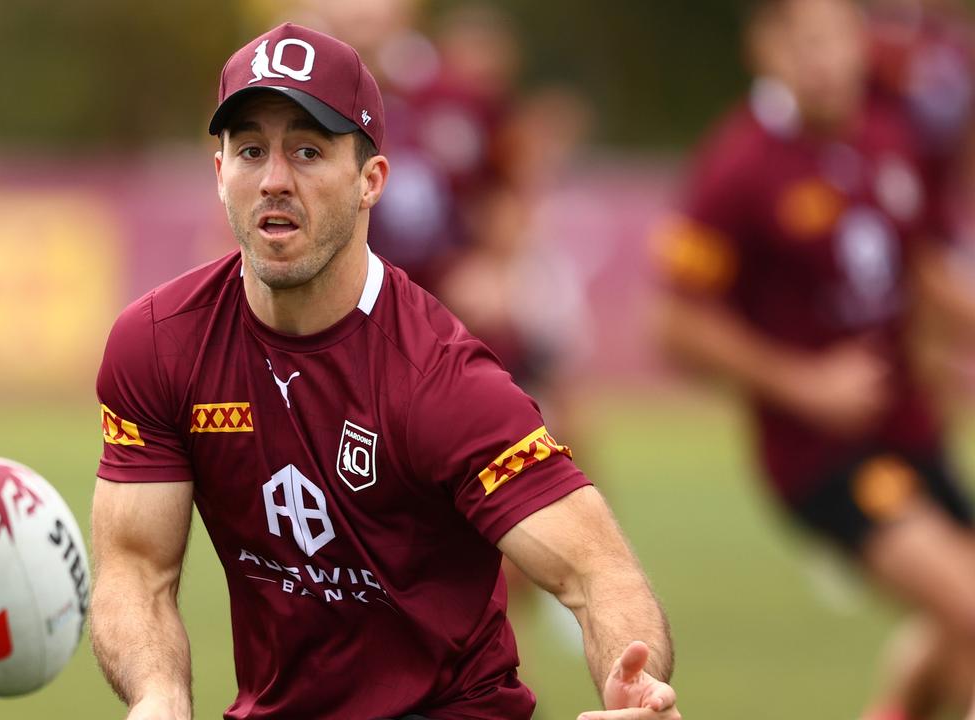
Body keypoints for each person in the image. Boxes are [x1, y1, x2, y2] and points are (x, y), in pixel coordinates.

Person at [91, 22, 679, 720]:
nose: (275, 179)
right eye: (251, 151)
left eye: (308, 152)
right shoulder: (158, 345)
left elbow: (596, 567)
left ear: (372, 181)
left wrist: (634, 686)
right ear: (220, 173)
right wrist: (157, 695)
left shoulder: (442, 377)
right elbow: (135, 568)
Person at [653, 1, 975, 718]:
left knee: (959, 643)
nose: (823, 59)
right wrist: (803, 382)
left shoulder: (890, 137)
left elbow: (920, 271)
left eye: (835, 39)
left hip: (912, 434)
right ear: (765, 52)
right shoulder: (738, 167)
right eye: (803, 43)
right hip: (825, 457)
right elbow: (676, 326)